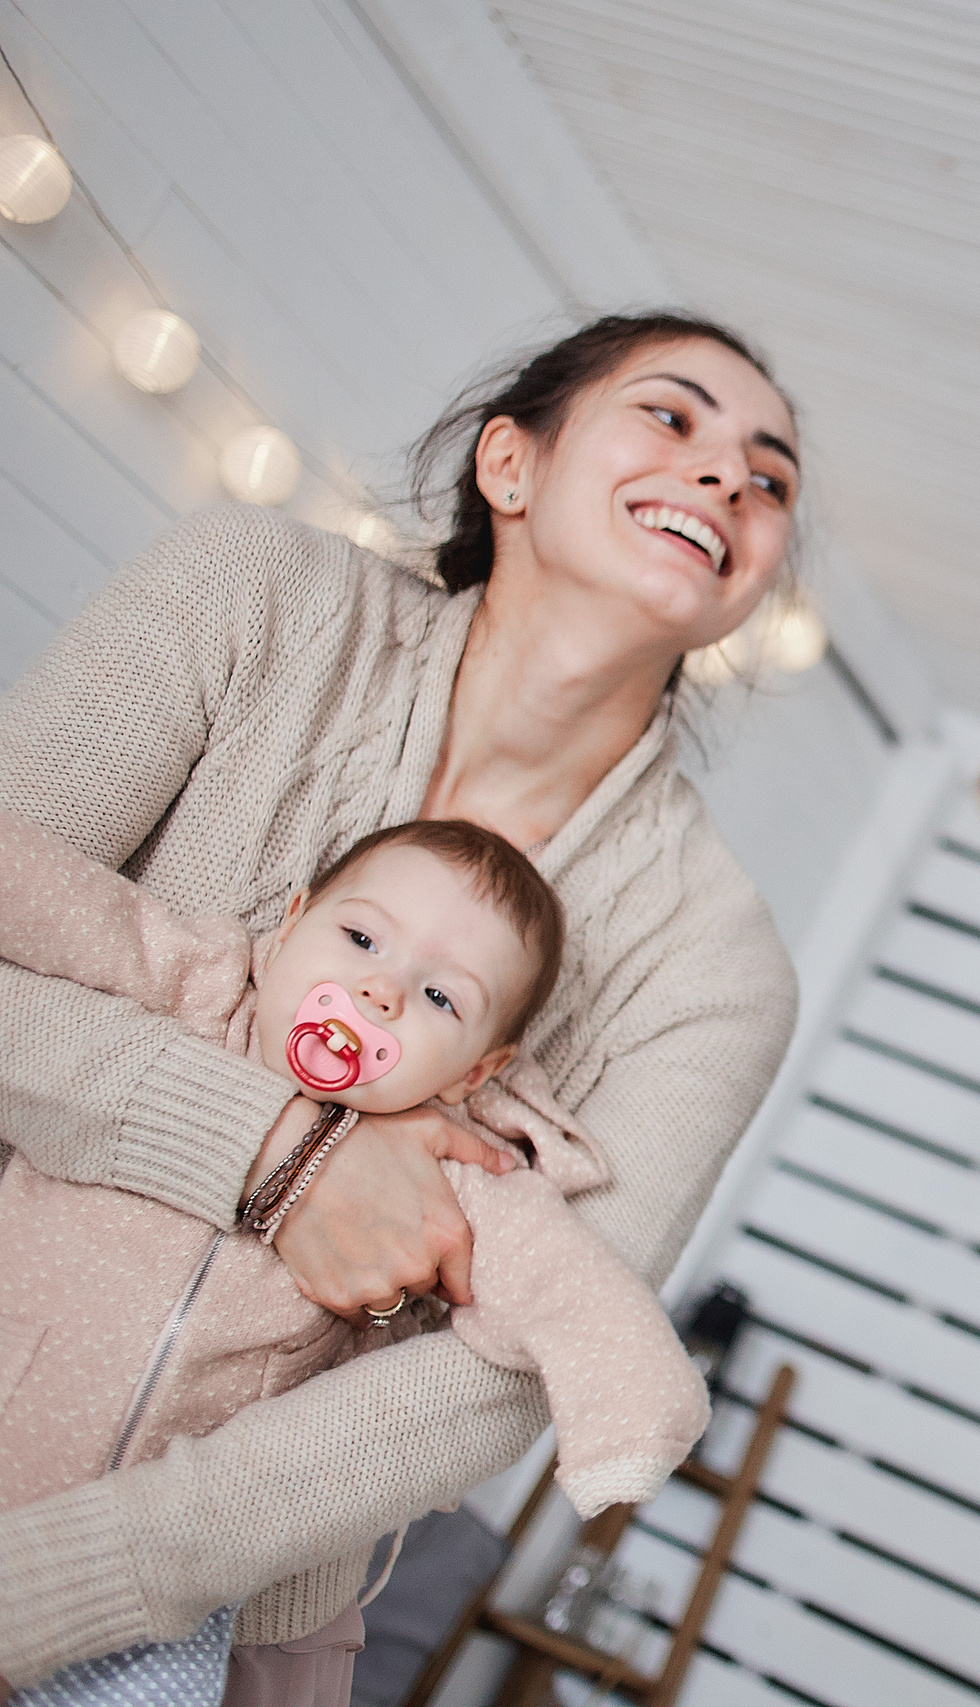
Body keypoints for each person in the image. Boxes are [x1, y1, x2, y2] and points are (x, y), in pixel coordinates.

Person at [0, 313, 802, 1703]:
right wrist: (280, 1153)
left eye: (770, 474)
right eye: (673, 418)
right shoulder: (246, 595)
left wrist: (75, 1578)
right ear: (509, 461)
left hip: (218, 1611)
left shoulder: (720, 967)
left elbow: (512, 1358)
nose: (730, 473)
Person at [0, 814, 709, 1557]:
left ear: (474, 1071)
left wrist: (633, 1421)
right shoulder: (200, 986)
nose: (380, 990)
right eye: (362, 940)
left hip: (168, 1539)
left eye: (440, 997)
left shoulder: (459, 1177)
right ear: (289, 928)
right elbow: (60, 904)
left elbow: (570, 1292)